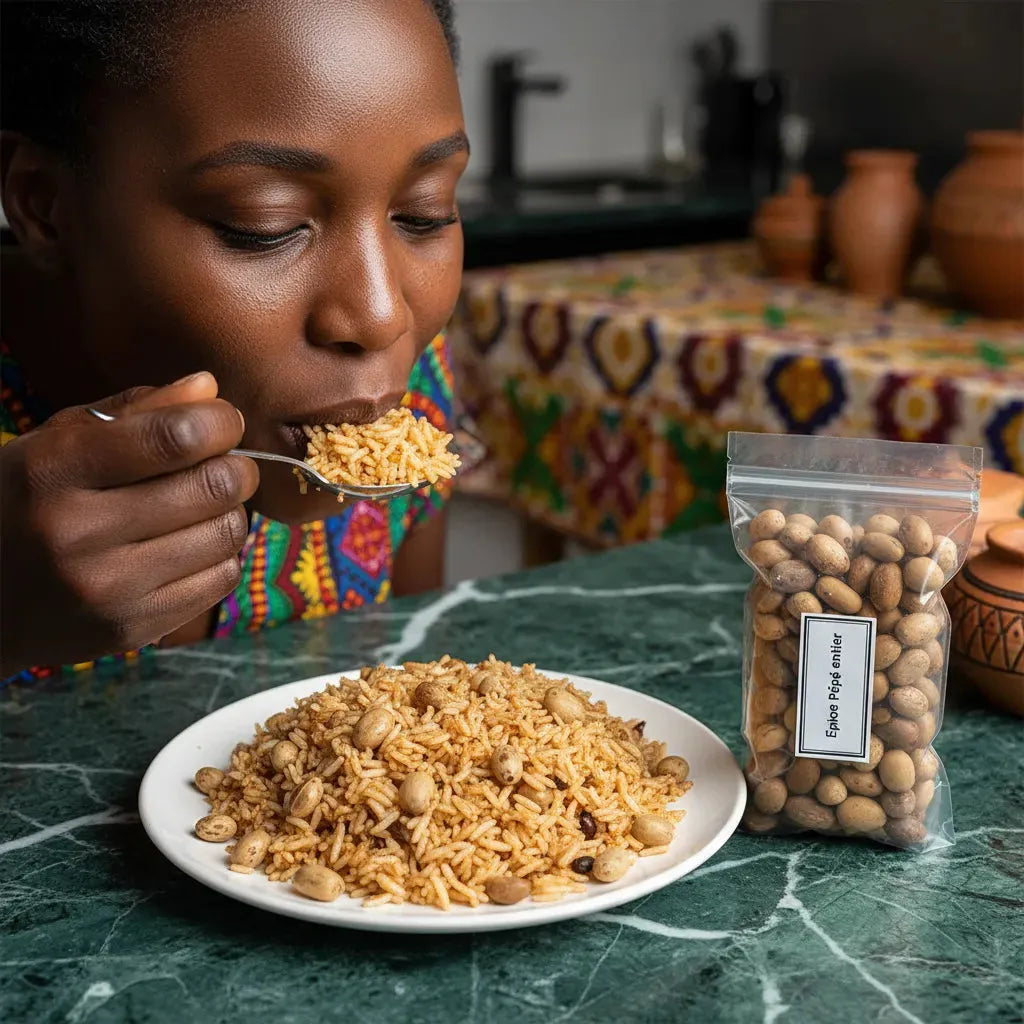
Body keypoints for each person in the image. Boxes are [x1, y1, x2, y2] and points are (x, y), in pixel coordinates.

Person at [0, 0, 468, 681]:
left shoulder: (407, 388)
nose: (378, 315)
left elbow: (413, 684)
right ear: (45, 205)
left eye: (424, 214)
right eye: (264, 225)